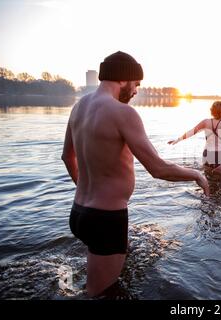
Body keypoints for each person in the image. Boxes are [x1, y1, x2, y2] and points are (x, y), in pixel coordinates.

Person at [61, 51, 209, 297]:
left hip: (79, 212)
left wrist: (87, 197)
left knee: (120, 258)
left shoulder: (79, 107)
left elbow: (68, 156)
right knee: (100, 293)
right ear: (123, 79)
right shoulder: (122, 113)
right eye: (136, 84)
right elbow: (158, 168)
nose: (136, 90)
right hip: (105, 218)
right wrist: (196, 175)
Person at [168, 101, 221, 175]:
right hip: (220, 156)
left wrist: (177, 140)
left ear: (211, 111)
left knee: (207, 177)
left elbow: (191, 132)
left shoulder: (205, 122)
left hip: (207, 154)